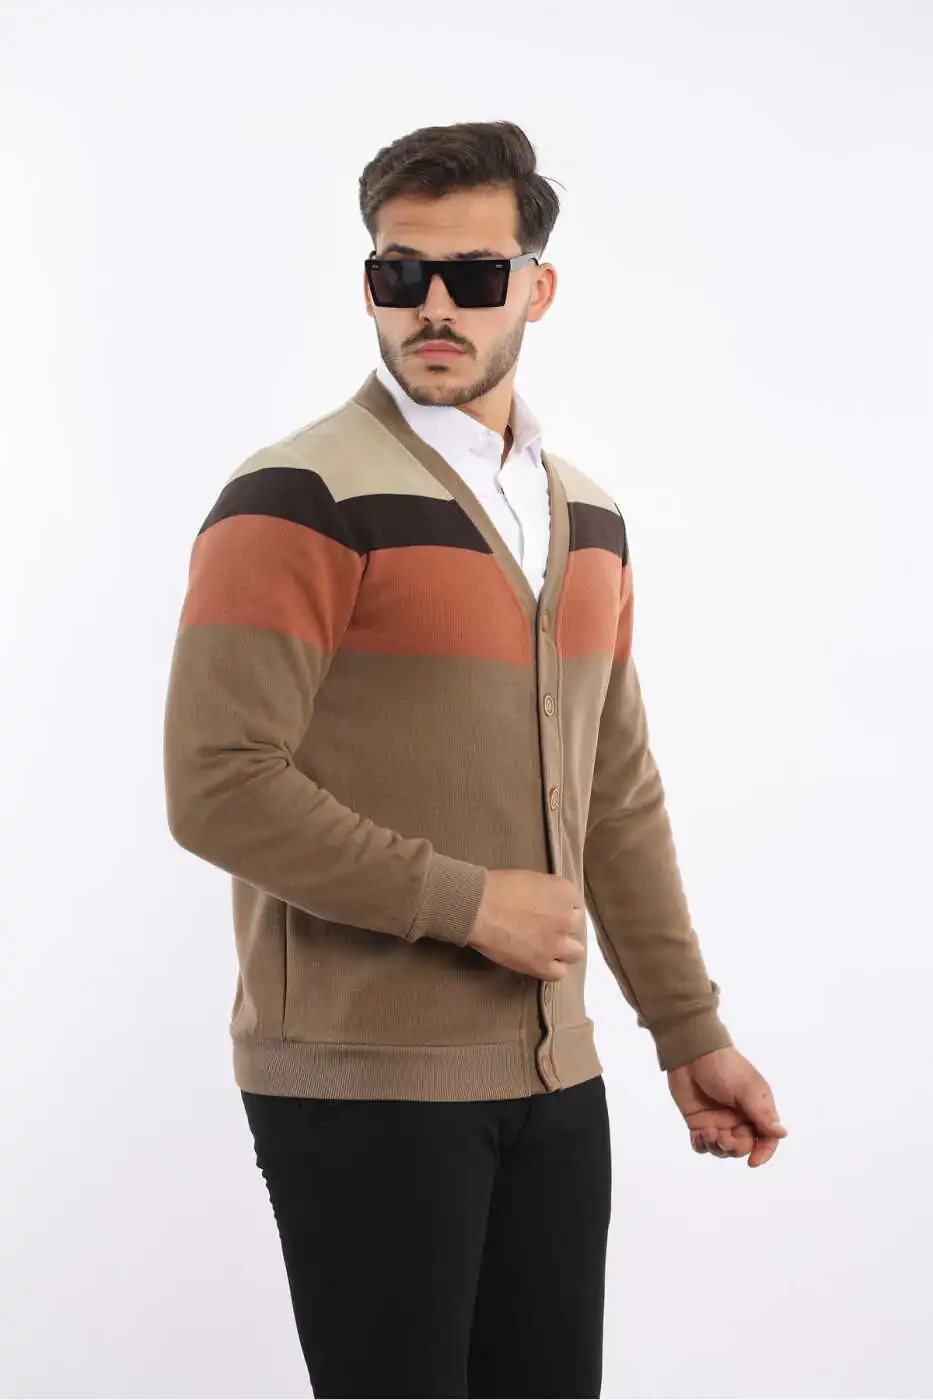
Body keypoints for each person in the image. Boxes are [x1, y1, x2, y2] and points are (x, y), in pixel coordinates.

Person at [163, 119, 788, 1398]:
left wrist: (688, 1028)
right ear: (370, 285)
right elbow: (217, 780)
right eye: (401, 273)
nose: (434, 306)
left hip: (558, 1080)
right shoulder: (297, 498)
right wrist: (467, 903)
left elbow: (616, 790)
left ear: (537, 289)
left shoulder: (589, 517)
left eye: (474, 274)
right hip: (362, 1083)